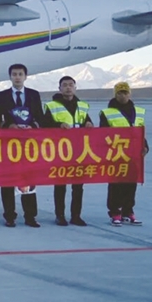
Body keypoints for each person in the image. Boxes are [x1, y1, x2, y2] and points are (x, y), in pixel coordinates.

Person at [0, 63, 44, 228]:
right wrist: (8, 126)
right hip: (8, 145)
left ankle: (30, 216)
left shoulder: (34, 95)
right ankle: (9, 215)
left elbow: (40, 117)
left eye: (20, 74)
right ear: (10, 77)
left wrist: (33, 126)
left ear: (25, 76)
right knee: (8, 180)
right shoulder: (2, 96)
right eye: (14, 74)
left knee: (28, 179)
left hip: (29, 145)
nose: (17, 77)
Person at [43, 76, 93, 227]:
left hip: (79, 150)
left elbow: (87, 121)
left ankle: (76, 215)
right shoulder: (52, 106)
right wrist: (59, 125)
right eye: (64, 85)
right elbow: (45, 125)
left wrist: (89, 123)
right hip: (61, 151)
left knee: (78, 186)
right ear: (59, 88)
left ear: (75, 87)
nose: (68, 88)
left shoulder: (82, 105)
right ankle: (60, 215)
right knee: (60, 185)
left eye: (71, 85)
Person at [100, 82, 148, 226]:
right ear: (115, 95)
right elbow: (102, 134)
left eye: (125, 93)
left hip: (133, 154)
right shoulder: (107, 113)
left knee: (131, 184)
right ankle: (115, 211)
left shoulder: (138, 111)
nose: (123, 96)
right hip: (116, 153)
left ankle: (128, 210)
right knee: (116, 184)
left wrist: (145, 146)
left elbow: (140, 131)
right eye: (120, 93)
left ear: (129, 94)